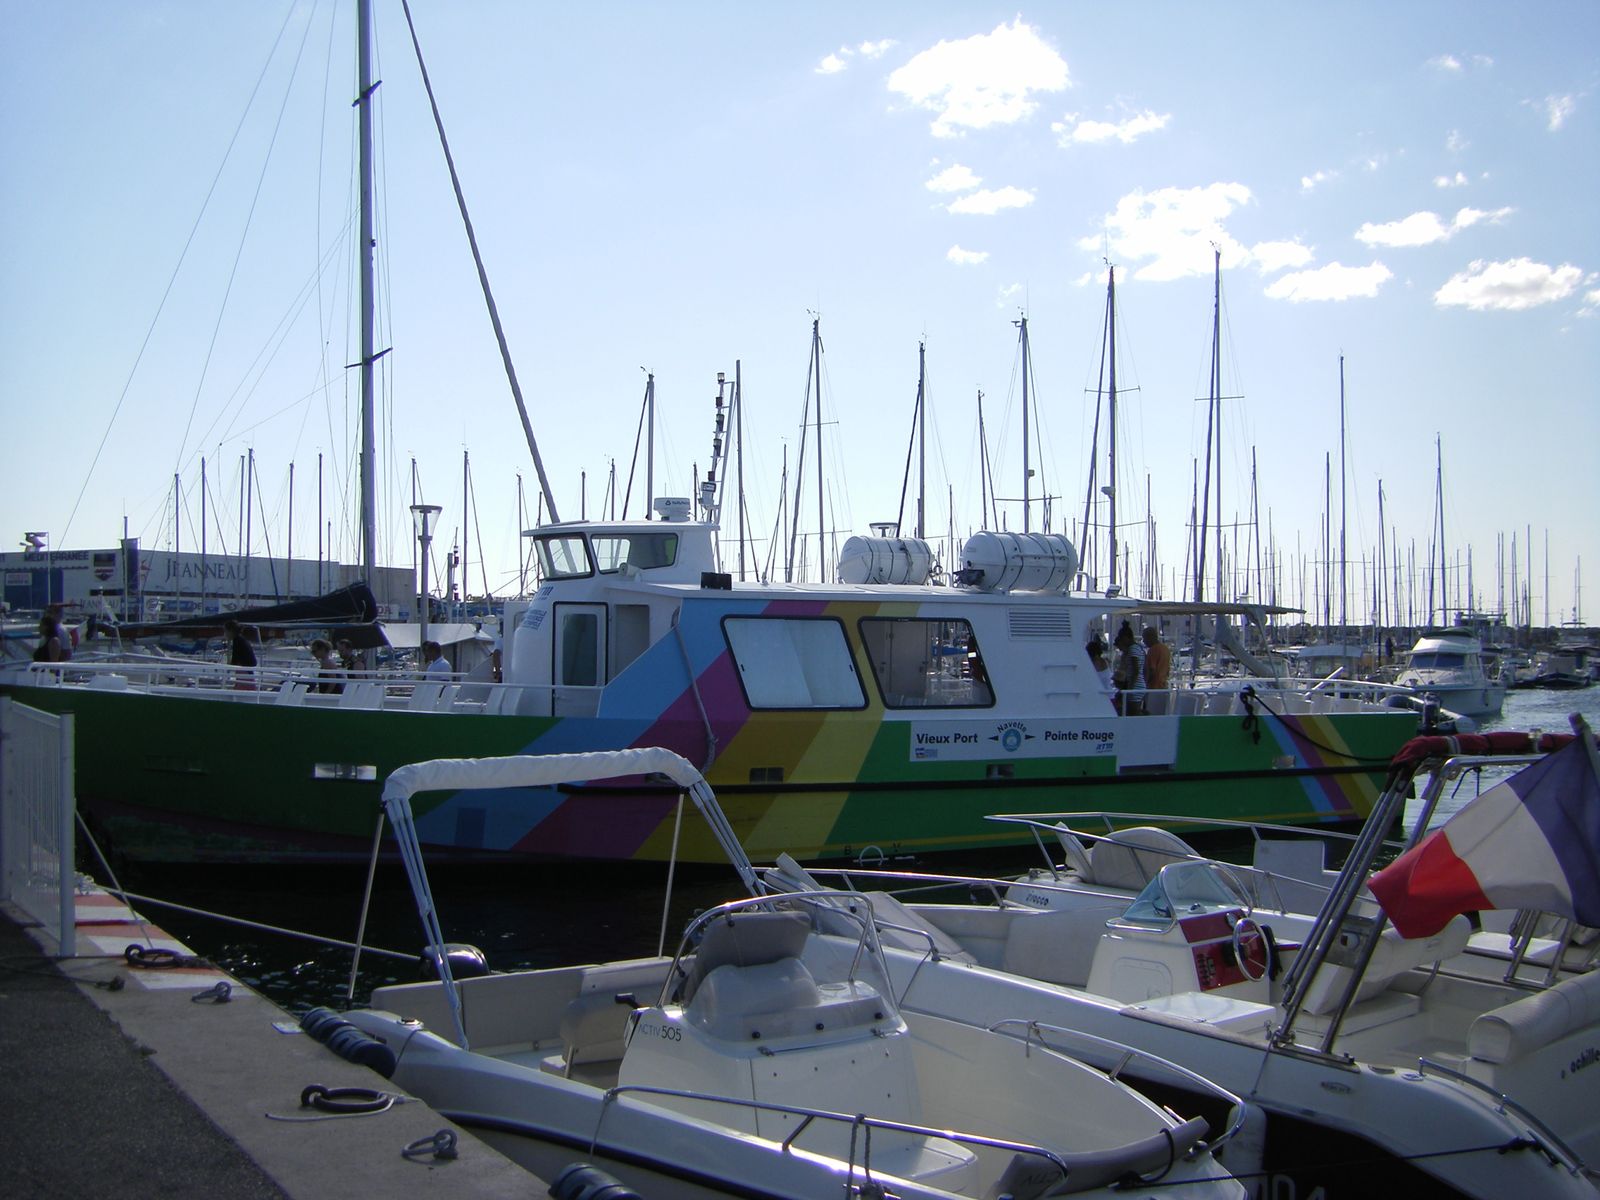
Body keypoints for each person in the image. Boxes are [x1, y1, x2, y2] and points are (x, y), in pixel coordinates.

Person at [1113, 621, 1146, 715]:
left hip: (1135, 685)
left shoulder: (1133, 649)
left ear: (1125, 638)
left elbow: (1136, 670)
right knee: (1132, 712)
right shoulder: (1138, 648)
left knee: (1133, 713)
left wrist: (1130, 689)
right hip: (1138, 684)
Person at [1142, 626, 1171, 692]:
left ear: (1150, 637)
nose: (1143, 641)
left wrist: (1146, 683)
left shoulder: (1153, 650)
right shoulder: (1165, 649)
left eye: (1144, 638)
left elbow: (1152, 670)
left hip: (1154, 687)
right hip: (1163, 686)